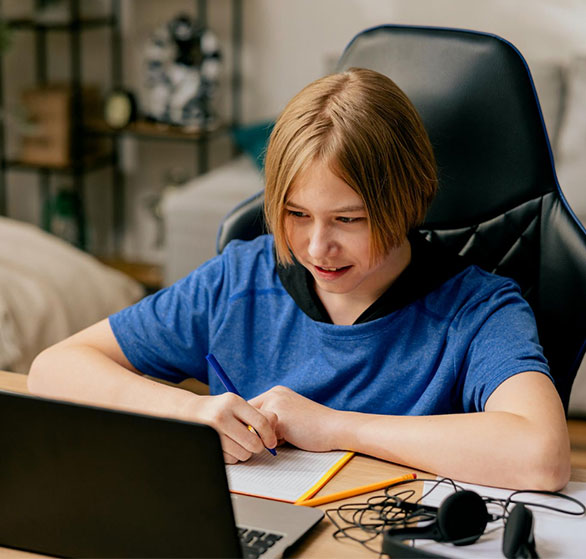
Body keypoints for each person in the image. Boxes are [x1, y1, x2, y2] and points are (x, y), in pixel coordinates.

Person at [28, 68, 570, 491]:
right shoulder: (239, 280)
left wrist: (334, 427)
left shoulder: (477, 309)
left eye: (348, 219)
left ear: (407, 201)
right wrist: (190, 411)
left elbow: (541, 455)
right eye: (296, 214)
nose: (315, 248)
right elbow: (55, 368)